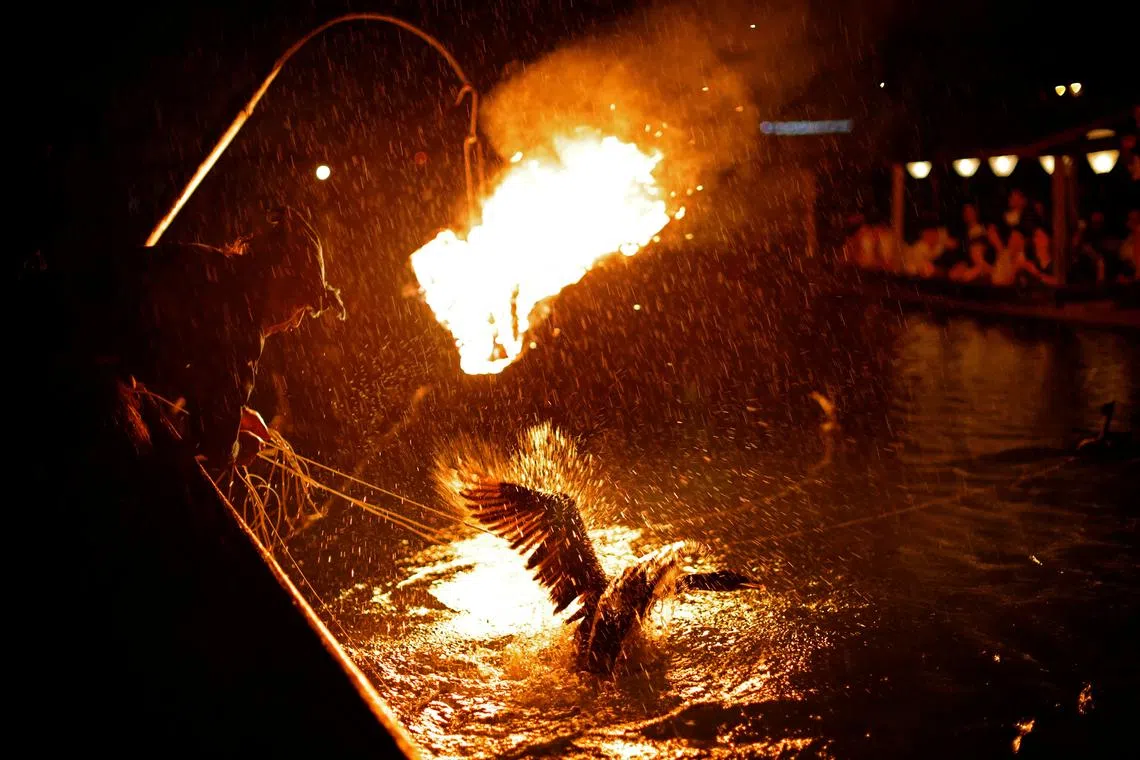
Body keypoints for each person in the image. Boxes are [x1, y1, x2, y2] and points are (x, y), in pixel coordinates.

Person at [63, 206, 345, 470]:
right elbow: (217, 443)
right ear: (283, 289)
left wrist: (237, 412)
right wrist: (238, 448)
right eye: (300, 308)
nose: (295, 323)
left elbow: (189, 363)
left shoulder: (216, 268)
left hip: (63, 298)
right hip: (67, 350)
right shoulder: (243, 319)